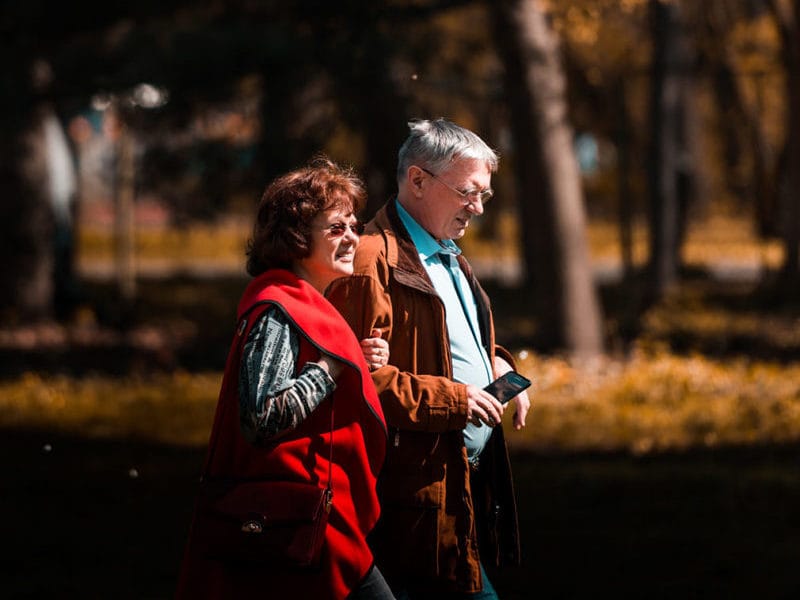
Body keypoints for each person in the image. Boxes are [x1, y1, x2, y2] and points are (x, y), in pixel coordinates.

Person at [326, 118, 531, 598]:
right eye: (467, 192)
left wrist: (496, 364)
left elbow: (449, 340)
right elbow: (355, 382)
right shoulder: (369, 258)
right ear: (417, 180)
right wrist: (457, 399)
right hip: (411, 498)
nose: (477, 208)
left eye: (485, 194)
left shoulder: (448, 252)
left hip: (457, 487)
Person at [177, 157, 395, 600]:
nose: (353, 237)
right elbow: (261, 417)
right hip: (295, 524)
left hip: (305, 520)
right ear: (296, 239)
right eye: (336, 228)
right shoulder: (278, 310)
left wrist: (353, 358)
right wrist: (333, 366)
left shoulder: (300, 306)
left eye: (354, 225)